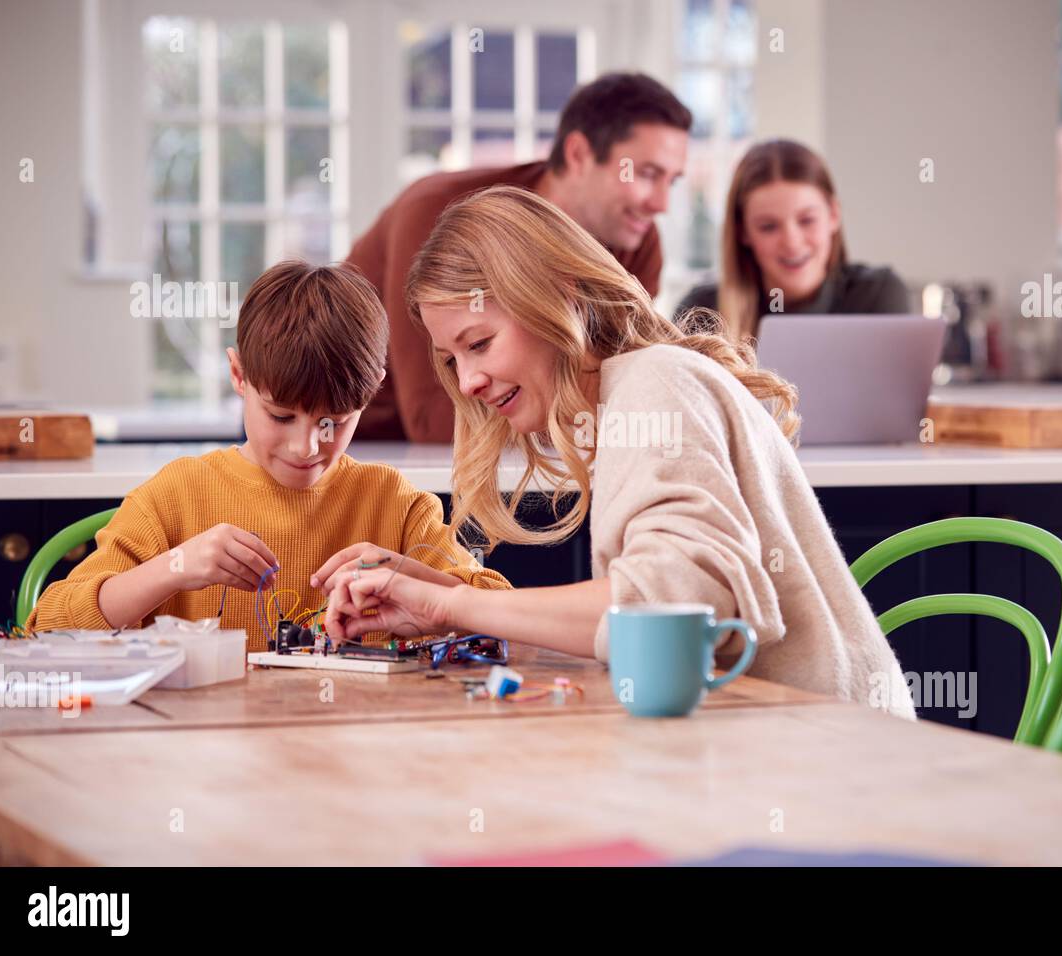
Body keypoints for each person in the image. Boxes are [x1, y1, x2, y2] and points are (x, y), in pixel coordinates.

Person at [316, 186, 915, 715]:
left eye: (480, 343)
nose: (468, 381)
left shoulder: (653, 384)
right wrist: (441, 599)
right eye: (453, 359)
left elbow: (671, 605)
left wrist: (453, 606)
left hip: (832, 756)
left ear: (561, 297)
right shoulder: (625, 401)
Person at [27, 261, 508, 648]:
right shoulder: (175, 497)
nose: (306, 447)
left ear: (373, 391)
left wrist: (415, 579)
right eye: (280, 417)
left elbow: (503, 614)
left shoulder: (395, 504)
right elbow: (45, 628)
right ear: (238, 376)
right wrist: (174, 567)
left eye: (333, 423)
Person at [347, 72, 692, 442]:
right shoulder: (436, 215)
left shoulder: (636, 242)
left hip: (530, 452)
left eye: (670, 181)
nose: (661, 204)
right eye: (646, 174)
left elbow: (619, 380)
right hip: (366, 451)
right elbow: (434, 424)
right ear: (578, 154)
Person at [676, 139, 909, 342]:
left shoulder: (876, 294)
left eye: (807, 220)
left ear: (834, 215)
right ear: (743, 232)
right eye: (768, 227)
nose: (791, 242)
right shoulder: (702, 310)